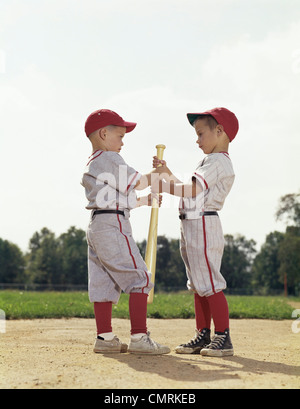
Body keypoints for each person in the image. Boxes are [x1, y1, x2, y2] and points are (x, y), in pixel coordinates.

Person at [81, 109, 170, 355]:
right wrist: (158, 173)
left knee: (103, 283)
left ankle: (105, 337)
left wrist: (143, 200)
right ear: (103, 133)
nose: (122, 142)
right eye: (119, 135)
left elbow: (118, 197)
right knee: (140, 278)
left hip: (98, 224)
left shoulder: (94, 162)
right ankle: (139, 337)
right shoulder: (110, 158)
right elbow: (139, 181)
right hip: (113, 225)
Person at [152, 107, 239, 357]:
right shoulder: (210, 161)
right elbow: (190, 187)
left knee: (210, 282)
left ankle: (223, 336)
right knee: (199, 284)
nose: (197, 139)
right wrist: (166, 172)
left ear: (220, 131)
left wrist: (164, 185)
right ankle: (203, 334)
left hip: (203, 224)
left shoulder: (218, 161)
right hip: (191, 223)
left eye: (201, 133)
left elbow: (191, 190)